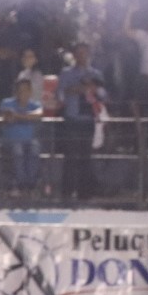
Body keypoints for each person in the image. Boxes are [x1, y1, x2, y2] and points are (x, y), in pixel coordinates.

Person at [57, 43, 104, 202]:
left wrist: (94, 90)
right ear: (74, 55)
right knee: (70, 156)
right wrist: (76, 89)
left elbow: (104, 95)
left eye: (84, 52)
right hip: (72, 119)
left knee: (86, 156)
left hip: (88, 119)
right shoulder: (66, 73)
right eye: (78, 53)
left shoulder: (96, 74)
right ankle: (67, 192)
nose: (81, 56)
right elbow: (61, 94)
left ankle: (85, 193)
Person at [0, 78, 46, 199]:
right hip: (11, 140)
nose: (23, 93)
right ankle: (21, 185)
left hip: (30, 140)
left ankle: (31, 185)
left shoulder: (35, 104)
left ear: (30, 91)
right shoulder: (7, 103)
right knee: (18, 151)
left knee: (35, 150)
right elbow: (7, 117)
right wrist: (26, 117)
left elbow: (39, 114)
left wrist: (18, 116)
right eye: (20, 90)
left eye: (26, 90)